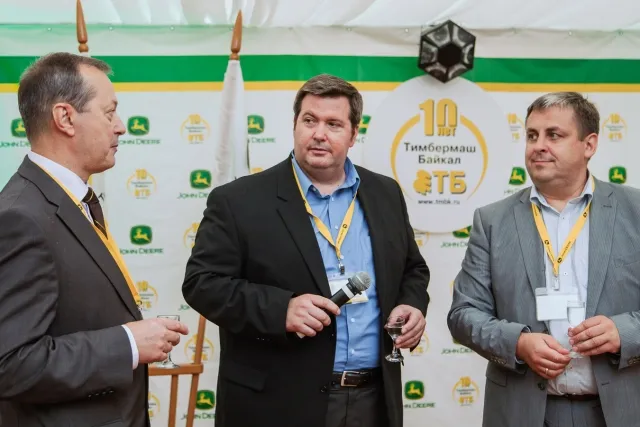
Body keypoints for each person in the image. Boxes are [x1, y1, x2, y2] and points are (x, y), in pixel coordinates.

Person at [183, 73, 429, 427]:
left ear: (353, 134)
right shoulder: (238, 200)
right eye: (310, 120)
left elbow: (412, 269)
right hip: (278, 403)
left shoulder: (385, 193)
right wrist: (280, 309)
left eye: (333, 124)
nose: (319, 134)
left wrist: (411, 304)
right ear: (295, 125)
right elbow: (202, 284)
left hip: (374, 399)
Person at [0, 52, 189, 427]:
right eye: (109, 113)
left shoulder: (69, 201)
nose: (121, 127)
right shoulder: (21, 218)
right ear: (65, 118)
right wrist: (128, 344)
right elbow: (11, 364)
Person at [448, 91, 640, 427]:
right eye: (532, 135)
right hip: (522, 412)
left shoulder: (634, 212)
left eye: (554, 135)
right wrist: (518, 343)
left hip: (620, 410)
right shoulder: (492, 221)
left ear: (589, 145)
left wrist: (625, 332)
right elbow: (463, 315)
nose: (538, 146)